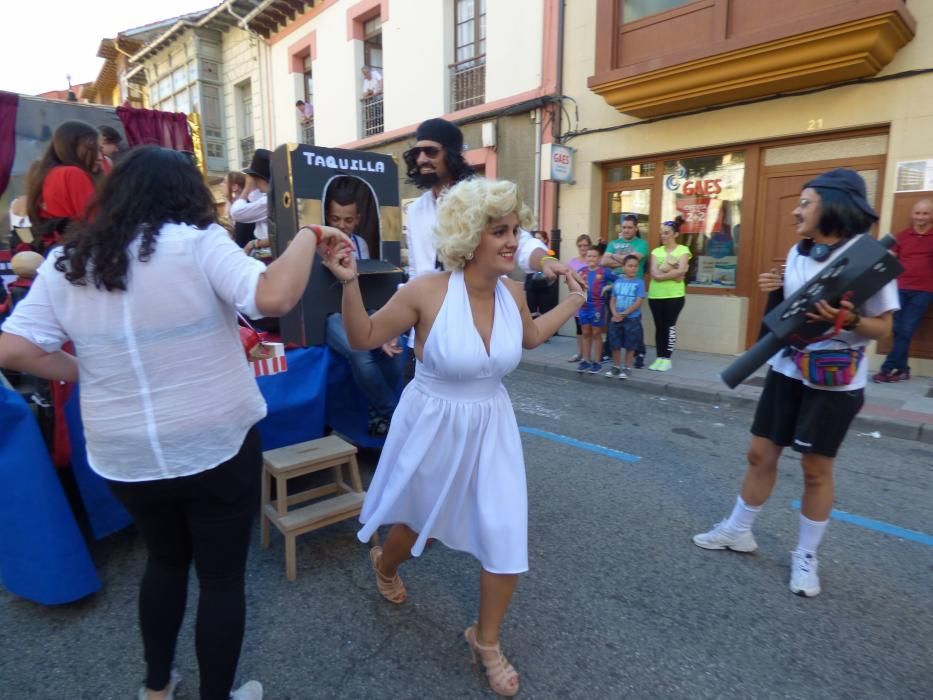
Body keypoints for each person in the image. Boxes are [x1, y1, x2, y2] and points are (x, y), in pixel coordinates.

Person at [0, 146, 349, 700]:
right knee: (220, 578)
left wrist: (82, 369)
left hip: (124, 455)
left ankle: (157, 689)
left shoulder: (70, 261)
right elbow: (273, 295)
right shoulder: (197, 242)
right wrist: (309, 235)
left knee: (163, 564)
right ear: (186, 195)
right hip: (216, 442)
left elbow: (13, 348)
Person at [321, 177, 586, 697]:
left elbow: (529, 337)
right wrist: (349, 283)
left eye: (514, 229)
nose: (512, 241)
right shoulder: (426, 291)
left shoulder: (511, 292)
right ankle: (386, 562)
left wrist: (573, 304)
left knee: (507, 530)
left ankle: (485, 640)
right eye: (499, 231)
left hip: (492, 426)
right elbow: (364, 338)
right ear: (469, 236)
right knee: (425, 522)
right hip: (434, 423)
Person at [692, 168, 897, 598]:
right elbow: (791, 317)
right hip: (788, 369)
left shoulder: (868, 255)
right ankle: (738, 530)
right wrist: (774, 289)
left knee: (815, 469)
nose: (796, 212)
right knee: (759, 452)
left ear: (835, 205)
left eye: (806, 203)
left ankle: (806, 556)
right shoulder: (798, 252)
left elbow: (885, 331)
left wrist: (850, 320)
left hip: (834, 380)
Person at [403, 117, 578, 288]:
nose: (421, 159)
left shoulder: (480, 198)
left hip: (478, 305)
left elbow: (521, 242)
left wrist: (545, 260)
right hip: (429, 310)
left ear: (450, 154)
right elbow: (415, 270)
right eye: (417, 153)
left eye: (431, 152)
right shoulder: (415, 210)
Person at [323, 186, 404, 437]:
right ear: (326, 217)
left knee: (396, 347)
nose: (342, 225)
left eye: (348, 220)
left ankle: (378, 414)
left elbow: (367, 285)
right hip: (329, 314)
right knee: (360, 351)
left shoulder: (360, 244)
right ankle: (394, 415)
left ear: (357, 219)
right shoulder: (317, 244)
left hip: (360, 306)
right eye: (335, 219)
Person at [873, 198, 932, 383]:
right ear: (912, 215)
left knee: (905, 328)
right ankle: (903, 369)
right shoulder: (902, 236)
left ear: (931, 216)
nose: (920, 217)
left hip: (924, 290)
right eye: (917, 213)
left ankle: (887, 369)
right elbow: (889, 260)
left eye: (925, 213)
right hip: (899, 288)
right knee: (899, 329)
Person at [25, 120, 101, 254]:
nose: (100, 157)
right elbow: (94, 221)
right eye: (95, 149)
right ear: (76, 146)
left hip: (54, 251)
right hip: (77, 251)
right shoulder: (73, 173)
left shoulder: (45, 174)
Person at [602, 214, 649, 368]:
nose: (626, 230)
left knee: (634, 325)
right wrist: (624, 259)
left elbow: (632, 260)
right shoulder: (613, 242)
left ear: (636, 229)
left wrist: (614, 258)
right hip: (615, 287)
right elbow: (603, 261)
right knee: (612, 321)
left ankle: (639, 353)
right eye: (624, 227)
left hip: (633, 289)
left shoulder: (642, 243)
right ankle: (609, 352)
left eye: (630, 227)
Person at [647, 216, 691, 371]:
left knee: (669, 326)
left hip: (675, 296)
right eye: (662, 233)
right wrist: (673, 272)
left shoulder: (683, 250)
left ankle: (667, 358)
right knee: (659, 327)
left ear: (675, 234)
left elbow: (681, 271)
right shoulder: (656, 251)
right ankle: (659, 357)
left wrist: (661, 274)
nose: (663, 236)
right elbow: (654, 272)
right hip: (655, 295)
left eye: (666, 233)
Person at [576, 247, 616, 374]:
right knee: (586, 332)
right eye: (589, 256)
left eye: (594, 256)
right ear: (586, 258)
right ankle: (586, 360)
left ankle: (597, 362)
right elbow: (573, 283)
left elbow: (620, 280)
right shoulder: (581, 271)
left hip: (597, 307)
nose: (591, 258)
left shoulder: (604, 272)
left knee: (597, 333)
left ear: (599, 258)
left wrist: (609, 286)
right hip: (584, 306)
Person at [605, 254, 645, 379]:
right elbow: (613, 299)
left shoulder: (639, 282)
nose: (633, 268)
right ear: (623, 267)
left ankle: (627, 368)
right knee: (615, 343)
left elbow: (638, 301)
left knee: (630, 344)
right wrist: (614, 313)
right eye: (630, 266)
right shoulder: (618, 281)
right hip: (616, 318)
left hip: (632, 319)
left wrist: (624, 313)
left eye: (635, 266)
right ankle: (616, 366)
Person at [230, 149, 271, 257]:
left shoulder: (268, 201)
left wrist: (247, 187)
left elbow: (236, 213)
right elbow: (254, 199)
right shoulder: (268, 197)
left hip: (268, 254)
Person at [566, 234, 593, 363]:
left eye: (585, 245)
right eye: (580, 245)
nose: (583, 248)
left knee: (591, 328)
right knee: (579, 327)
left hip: (593, 300)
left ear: (589, 246)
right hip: (578, 298)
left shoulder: (592, 260)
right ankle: (580, 354)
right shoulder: (572, 262)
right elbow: (566, 279)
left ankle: (589, 356)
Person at [224, 172, 255, 248]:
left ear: (234, 187)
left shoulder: (244, 210)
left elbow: (239, 242)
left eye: (224, 182)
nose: (221, 185)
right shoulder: (232, 206)